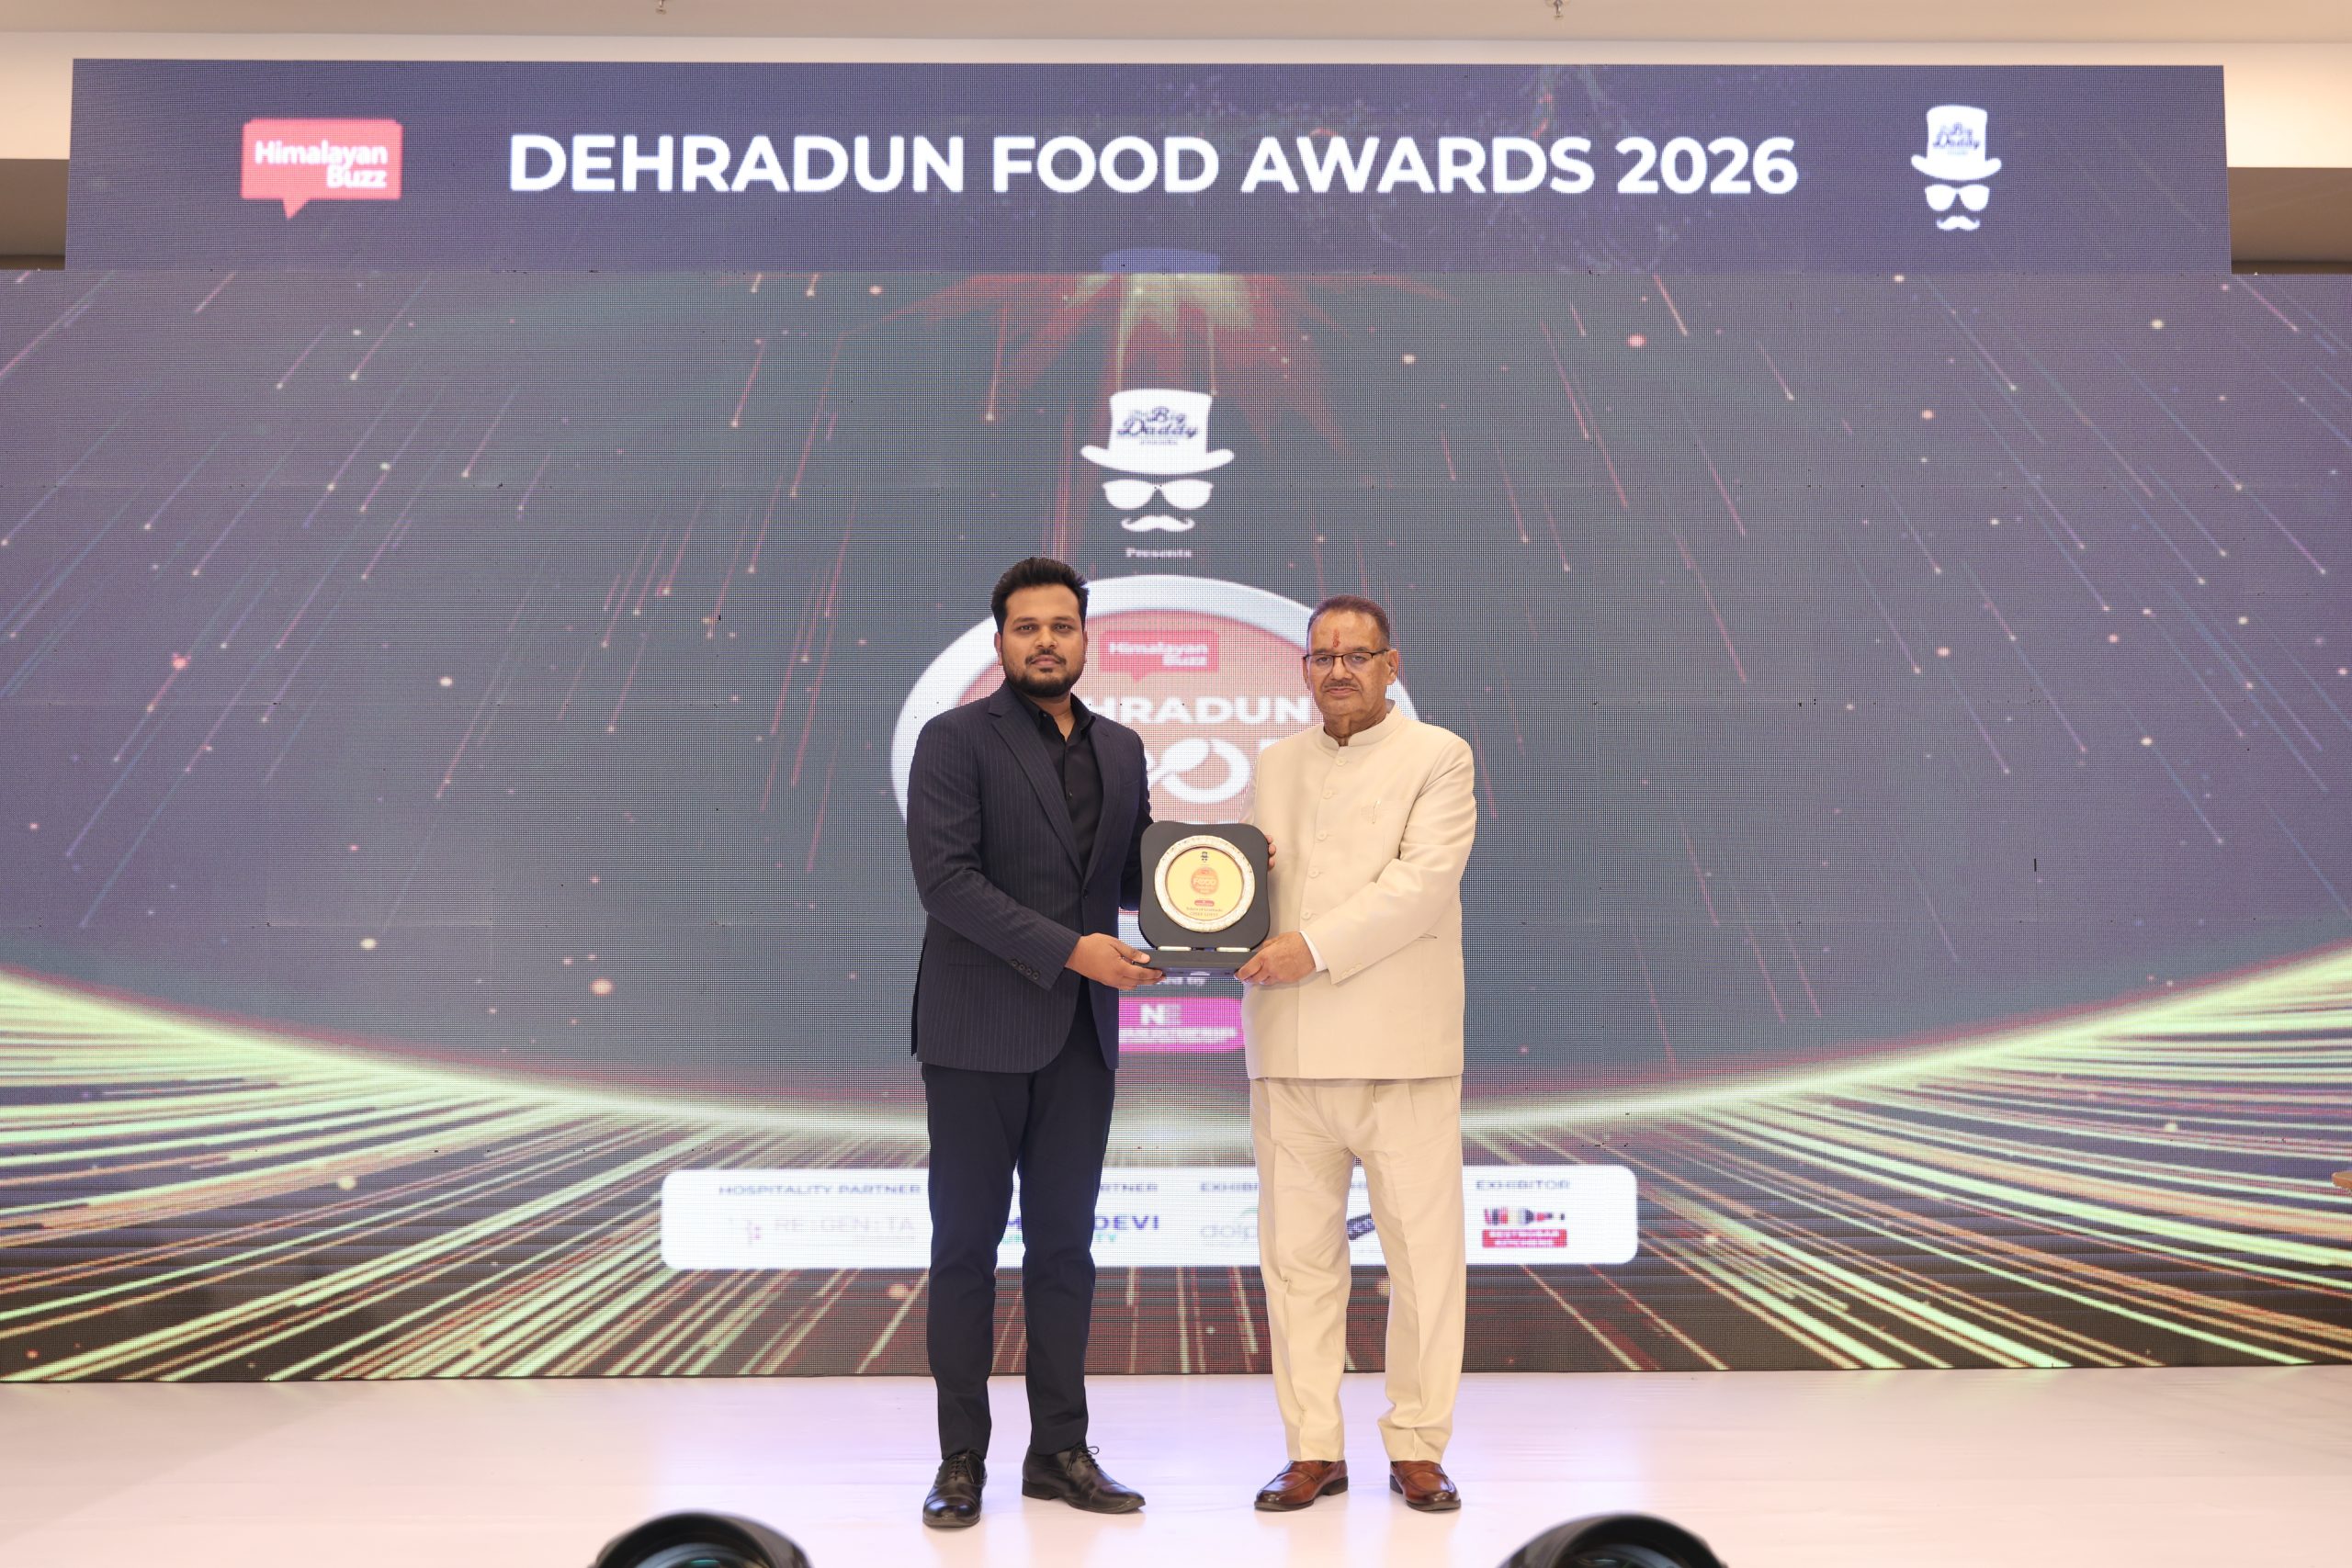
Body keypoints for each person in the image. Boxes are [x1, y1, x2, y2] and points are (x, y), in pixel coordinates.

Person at [903, 556, 1162, 1529]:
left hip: (1081, 1039)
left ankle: (1058, 1450)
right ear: (1000, 640)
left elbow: (1130, 877)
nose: (1046, 641)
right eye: (1027, 627)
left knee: (1065, 1252)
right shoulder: (955, 738)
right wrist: (1073, 952)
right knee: (964, 1250)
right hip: (976, 1032)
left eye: (1062, 625)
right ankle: (960, 1458)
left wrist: (1220, 868)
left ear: (1085, 637)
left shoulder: (1122, 748)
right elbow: (948, 884)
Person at [1235, 592, 1477, 1514]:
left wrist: (1310, 946)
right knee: (1296, 1263)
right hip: (1288, 1046)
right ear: (1304, 667)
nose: (1337, 670)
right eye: (1322, 656)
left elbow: (1421, 885)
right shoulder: (1275, 762)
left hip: (1399, 1049)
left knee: (1422, 1261)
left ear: (1390, 665)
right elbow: (1249, 885)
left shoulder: (1438, 755)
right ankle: (1313, 1449)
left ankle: (1417, 1446)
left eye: (1356, 655)